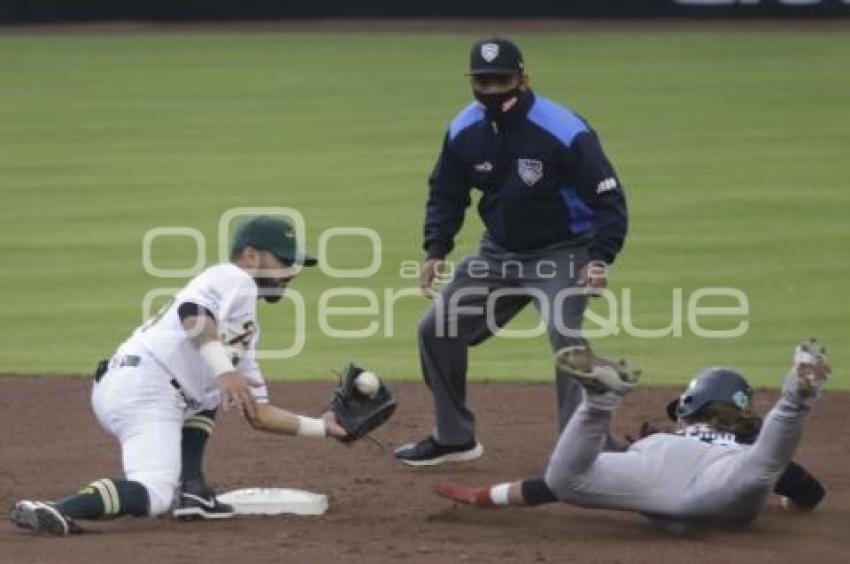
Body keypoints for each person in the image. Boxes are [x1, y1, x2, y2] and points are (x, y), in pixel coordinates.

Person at [11, 215, 347, 536]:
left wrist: (324, 428)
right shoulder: (233, 277)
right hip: (144, 389)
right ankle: (58, 508)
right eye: (284, 259)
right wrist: (225, 371)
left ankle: (193, 490)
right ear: (249, 256)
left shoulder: (244, 327)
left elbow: (258, 414)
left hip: (140, 385)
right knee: (154, 493)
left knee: (215, 389)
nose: (292, 270)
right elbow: (193, 312)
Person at [395, 37, 628, 466]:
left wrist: (599, 258)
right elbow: (446, 193)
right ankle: (454, 437)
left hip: (564, 250)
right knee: (436, 329)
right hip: (498, 254)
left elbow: (608, 199)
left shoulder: (563, 129)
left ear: (523, 78)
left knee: (566, 339)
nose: (491, 89)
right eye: (482, 81)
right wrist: (436, 250)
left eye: (500, 79)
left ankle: (582, 449)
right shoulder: (464, 129)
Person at [432, 339, 831, 533]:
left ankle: (599, 402)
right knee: (764, 466)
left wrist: (484, 496)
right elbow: (806, 490)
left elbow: (549, 488)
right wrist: (792, 504)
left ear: (690, 406)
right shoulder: (745, 447)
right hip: (721, 483)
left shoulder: (658, 441)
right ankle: (795, 397)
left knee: (568, 478)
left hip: (651, 465)